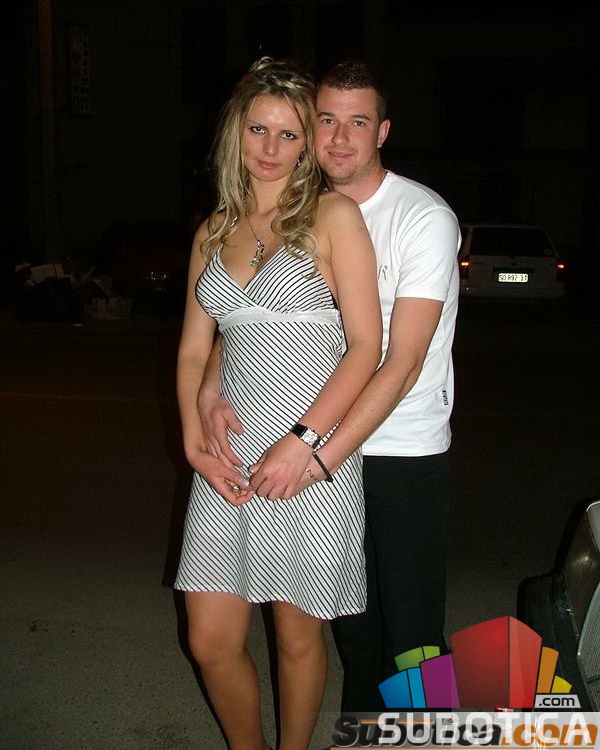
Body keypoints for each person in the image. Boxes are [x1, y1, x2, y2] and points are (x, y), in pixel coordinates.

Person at [199, 60, 461, 713]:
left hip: (397, 446)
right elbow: (251, 315)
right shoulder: (296, 209)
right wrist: (211, 382)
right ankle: (363, 733)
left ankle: (430, 734)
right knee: (352, 629)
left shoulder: (421, 215)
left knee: (413, 635)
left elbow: (400, 360)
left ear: (383, 132)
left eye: (359, 122)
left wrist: (317, 455)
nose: (340, 138)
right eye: (326, 120)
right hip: (322, 442)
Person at [174, 57, 382, 750]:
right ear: (235, 132)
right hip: (230, 456)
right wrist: (193, 435)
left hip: (309, 457)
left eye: (289, 134)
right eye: (257, 130)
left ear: (306, 145)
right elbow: (195, 351)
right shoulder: (212, 229)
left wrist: (306, 442)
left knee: (297, 635)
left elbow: (366, 348)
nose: (270, 148)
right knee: (210, 639)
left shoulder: (333, 216)